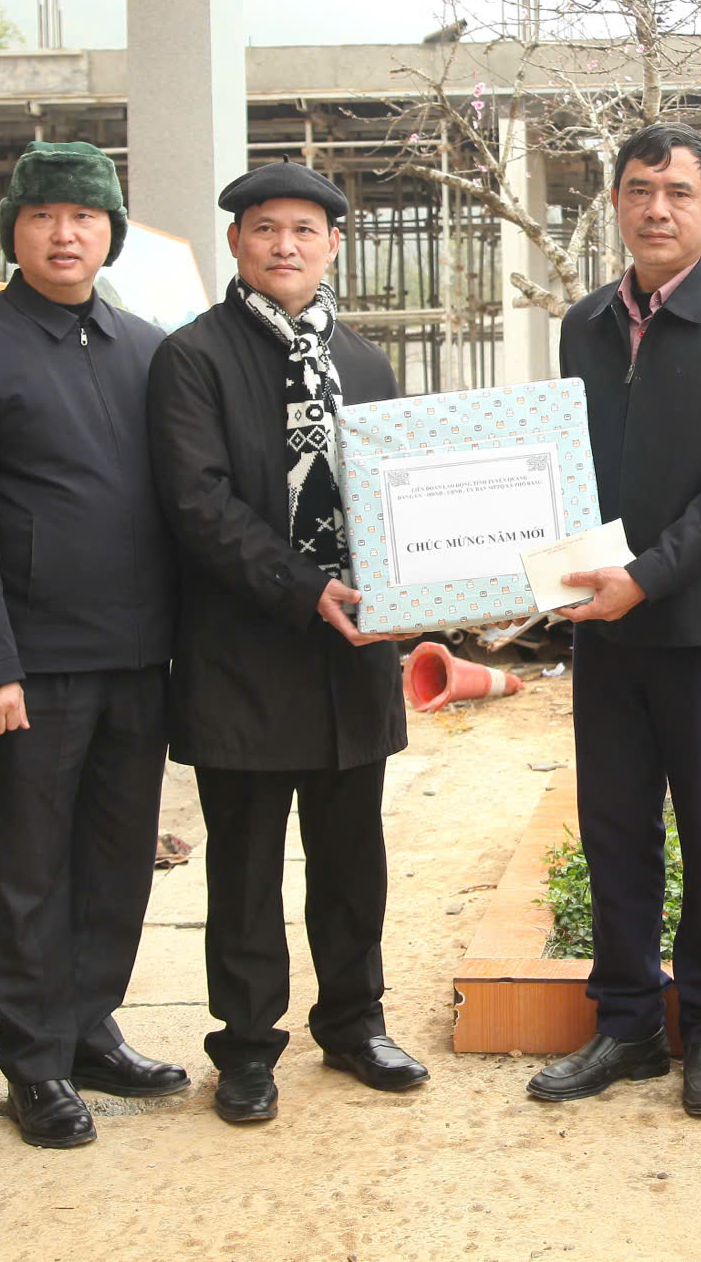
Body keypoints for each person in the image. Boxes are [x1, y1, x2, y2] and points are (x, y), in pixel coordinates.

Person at [528, 123, 701, 1119]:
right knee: (613, 832)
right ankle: (628, 1022)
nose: (657, 209)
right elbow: (562, 468)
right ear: (613, 203)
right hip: (605, 630)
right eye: (639, 190)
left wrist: (645, 577)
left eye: (679, 192)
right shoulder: (583, 324)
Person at [0, 140, 183, 1148]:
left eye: (84, 216)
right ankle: (33, 1061)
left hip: (138, 654)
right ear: (12, 231)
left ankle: (89, 1029)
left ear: (109, 232)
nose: (64, 234)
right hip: (30, 665)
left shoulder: (146, 348)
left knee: (116, 860)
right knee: (29, 870)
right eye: (42, 216)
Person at [147, 163, 426, 1127]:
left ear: (334, 244)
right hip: (245, 650)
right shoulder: (193, 358)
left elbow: (397, 497)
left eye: (305, 229)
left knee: (352, 857)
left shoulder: (365, 362)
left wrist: (420, 585)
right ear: (235, 242)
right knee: (246, 865)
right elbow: (197, 503)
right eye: (265, 228)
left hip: (354, 653)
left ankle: (353, 1021)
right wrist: (306, 588)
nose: (285, 245)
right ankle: (246, 1044)